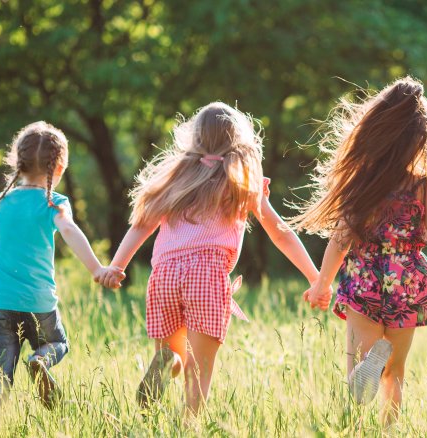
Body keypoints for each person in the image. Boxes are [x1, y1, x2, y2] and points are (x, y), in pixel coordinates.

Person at [97, 102, 319, 416]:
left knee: (172, 352)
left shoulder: (177, 175)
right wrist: (315, 276)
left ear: (195, 137)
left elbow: (142, 225)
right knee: (199, 369)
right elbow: (280, 232)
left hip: (163, 274)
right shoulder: (242, 181)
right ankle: (189, 425)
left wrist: (117, 266)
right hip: (207, 274)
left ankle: (168, 361)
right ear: (238, 139)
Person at [293, 77, 427, 424]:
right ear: (420, 141)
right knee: (395, 374)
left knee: (359, 371)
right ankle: (389, 430)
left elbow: (340, 239)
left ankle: (361, 385)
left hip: (364, 278)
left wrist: (322, 283)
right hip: (408, 282)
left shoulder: (362, 179)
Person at [0, 121, 121, 412]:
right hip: (39, 305)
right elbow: (70, 231)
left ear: (18, 164)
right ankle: (40, 360)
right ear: (58, 168)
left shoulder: (1, 202)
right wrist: (97, 269)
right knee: (58, 343)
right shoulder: (53, 202)